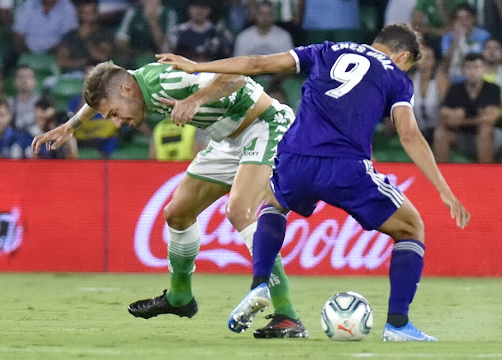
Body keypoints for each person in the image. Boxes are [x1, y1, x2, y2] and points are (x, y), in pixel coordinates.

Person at [157, 23, 471, 341]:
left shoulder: (325, 50)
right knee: (411, 228)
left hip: (294, 157)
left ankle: (260, 283)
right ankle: (398, 325)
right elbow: (408, 134)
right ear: (403, 55)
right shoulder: (395, 75)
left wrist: (196, 66)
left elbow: (257, 64)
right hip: (345, 165)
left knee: (274, 204)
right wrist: (444, 190)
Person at [31, 60, 307, 338]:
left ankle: (287, 316)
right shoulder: (131, 85)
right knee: (177, 213)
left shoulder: (169, 83)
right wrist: (71, 125)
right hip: (228, 139)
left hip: (265, 125)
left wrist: (194, 100)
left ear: (127, 90)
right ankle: (179, 297)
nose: (117, 122)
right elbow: (104, 90)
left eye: (115, 113)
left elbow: (234, 77)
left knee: (238, 209)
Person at [434, 53, 502, 163]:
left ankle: (486, 172)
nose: (472, 72)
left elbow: (490, 119)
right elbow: (443, 114)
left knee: (485, 129)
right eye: (468, 68)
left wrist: (460, 120)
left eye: (477, 67)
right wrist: (478, 118)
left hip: (492, 136)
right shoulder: (455, 89)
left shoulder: (493, 89)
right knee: (440, 133)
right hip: (462, 135)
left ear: (484, 69)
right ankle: (440, 174)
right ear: (463, 70)